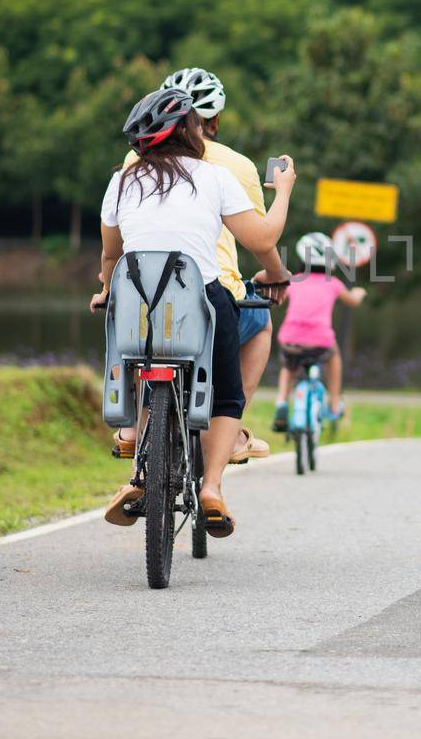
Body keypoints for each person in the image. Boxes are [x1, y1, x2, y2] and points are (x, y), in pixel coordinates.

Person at [92, 87, 295, 538]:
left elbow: (111, 256)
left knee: (129, 351)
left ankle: (131, 445)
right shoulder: (213, 177)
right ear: (191, 131)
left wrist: (106, 289)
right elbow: (261, 240)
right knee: (226, 395)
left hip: (136, 308)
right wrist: (283, 191)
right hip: (201, 304)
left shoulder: (121, 182)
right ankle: (213, 489)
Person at [118, 67, 283, 463]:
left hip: (139, 294)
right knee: (258, 324)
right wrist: (277, 275)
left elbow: (112, 248)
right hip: (207, 293)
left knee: (127, 330)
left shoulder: (130, 164)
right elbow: (260, 240)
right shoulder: (228, 169)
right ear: (208, 122)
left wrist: (106, 285)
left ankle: (131, 428)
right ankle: (231, 435)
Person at [272, 232, 366, 429]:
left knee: (289, 367)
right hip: (320, 341)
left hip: (291, 339)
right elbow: (353, 301)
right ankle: (333, 404)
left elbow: (277, 299)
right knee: (334, 357)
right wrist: (359, 293)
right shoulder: (334, 284)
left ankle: (281, 402)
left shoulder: (293, 281)